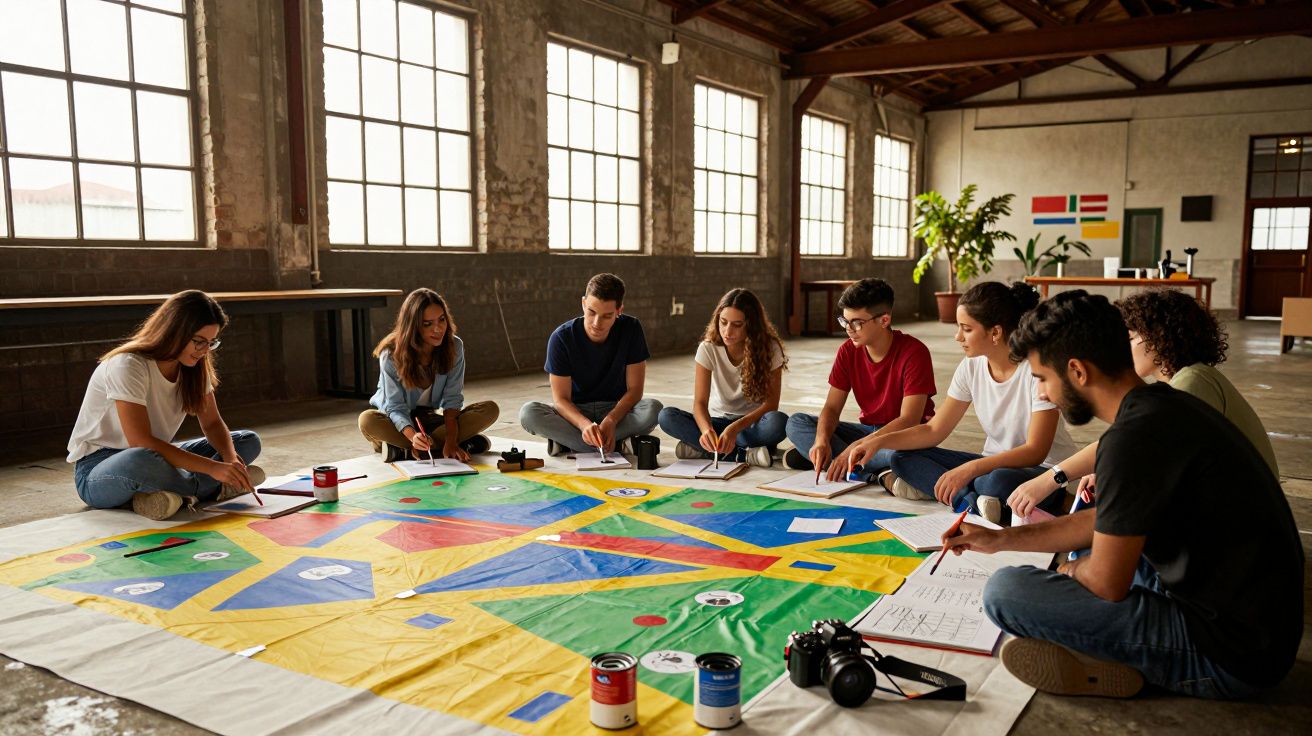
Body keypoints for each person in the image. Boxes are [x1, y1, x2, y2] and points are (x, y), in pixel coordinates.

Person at [944, 290, 1301, 700]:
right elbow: (1108, 521)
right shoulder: (1160, 407)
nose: (1041, 394)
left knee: (1006, 591)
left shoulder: (1133, 439)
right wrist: (1001, 540)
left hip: (1231, 655)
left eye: (1042, 379)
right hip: (1253, 627)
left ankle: (1119, 660)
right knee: (1082, 553)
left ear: (1077, 371)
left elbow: (1105, 583)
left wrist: (1064, 574)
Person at [1007, 288, 1279, 519]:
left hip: (1235, 516)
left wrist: (1053, 477)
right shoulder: (1177, 384)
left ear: (1160, 338)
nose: (1124, 347)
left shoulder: (1192, 382)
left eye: (1132, 338)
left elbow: (1136, 439)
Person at [847, 282, 1075, 523]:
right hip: (989, 465)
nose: (958, 337)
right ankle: (971, 502)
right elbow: (934, 430)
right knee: (900, 458)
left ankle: (975, 495)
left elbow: (1035, 451)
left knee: (996, 481)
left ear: (995, 332)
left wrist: (971, 469)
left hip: (1044, 471)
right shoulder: (971, 367)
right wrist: (877, 441)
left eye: (966, 329)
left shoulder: (1037, 370)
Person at [67, 290, 264, 521]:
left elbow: (211, 423)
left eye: (211, 343)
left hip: (156, 455)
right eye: (198, 341)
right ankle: (207, 489)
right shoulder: (128, 365)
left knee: (246, 441)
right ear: (175, 331)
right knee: (140, 459)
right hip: (101, 470)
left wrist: (230, 458)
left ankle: (171, 495)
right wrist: (214, 469)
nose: (204, 351)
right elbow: (140, 442)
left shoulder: (195, 368)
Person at [783, 278, 936, 477]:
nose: (848, 329)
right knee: (796, 423)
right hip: (867, 432)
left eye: (856, 323)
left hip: (903, 438)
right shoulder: (848, 351)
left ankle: (847, 465)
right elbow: (831, 408)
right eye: (845, 321)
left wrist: (854, 447)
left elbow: (909, 420)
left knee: (898, 456)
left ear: (884, 320)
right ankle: (869, 470)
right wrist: (821, 440)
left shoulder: (914, 352)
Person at [519, 273, 661, 455]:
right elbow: (561, 400)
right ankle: (613, 443)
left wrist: (611, 421)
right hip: (575, 413)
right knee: (528, 413)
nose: (596, 323)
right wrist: (584, 425)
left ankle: (572, 444)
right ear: (583, 303)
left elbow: (635, 390)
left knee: (653, 409)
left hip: (615, 409)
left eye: (607, 316)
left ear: (619, 311)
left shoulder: (631, 329)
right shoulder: (561, 338)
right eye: (591, 312)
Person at [358, 288, 499, 463]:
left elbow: (452, 400)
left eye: (442, 320)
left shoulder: (454, 347)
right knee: (367, 420)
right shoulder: (391, 353)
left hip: (429, 420)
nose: (438, 328)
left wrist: (450, 439)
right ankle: (457, 443)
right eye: (427, 324)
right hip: (395, 421)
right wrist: (412, 437)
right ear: (413, 326)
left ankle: (402, 449)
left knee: (490, 409)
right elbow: (395, 407)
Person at [657, 288, 788, 467]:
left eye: (737, 324)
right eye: (723, 322)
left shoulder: (770, 349)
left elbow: (771, 405)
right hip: (717, 422)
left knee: (778, 422)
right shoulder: (708, 348)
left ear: (751, 325)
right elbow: (700, 403)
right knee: (666, 416)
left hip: (751, 425)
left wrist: (734, 429)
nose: (727, 331)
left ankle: (703, 450)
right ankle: (744, 455)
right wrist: (705, 430)